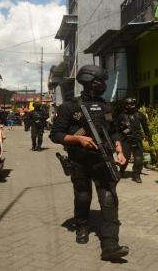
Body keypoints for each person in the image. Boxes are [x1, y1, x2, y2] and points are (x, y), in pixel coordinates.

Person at [49, 65, 129, 260]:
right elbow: (56, 134)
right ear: (89, 81)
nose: (103, 85)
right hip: (79, 161)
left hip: (103, 161)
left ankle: (111, 244)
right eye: (101, 81)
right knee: (83, 196)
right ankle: (82, 225)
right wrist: (79, 139)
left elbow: (114, 130)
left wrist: (119, 148)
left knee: (109, 199)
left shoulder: (106, 106)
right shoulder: (69, 106)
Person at [116, 97, 152, 183]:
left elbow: (145, 127)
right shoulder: (121, 116)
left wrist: (149, 137)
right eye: (128, 104)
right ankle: (121, 171)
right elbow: (116, 129)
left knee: (139, 159)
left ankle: (136, 175)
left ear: (135, 104)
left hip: (137, 139)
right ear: (125, 105)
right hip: (125, 139)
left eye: (132, 104)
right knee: (125, 157)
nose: (130, 106)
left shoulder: (140, 115)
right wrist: (117, 140)